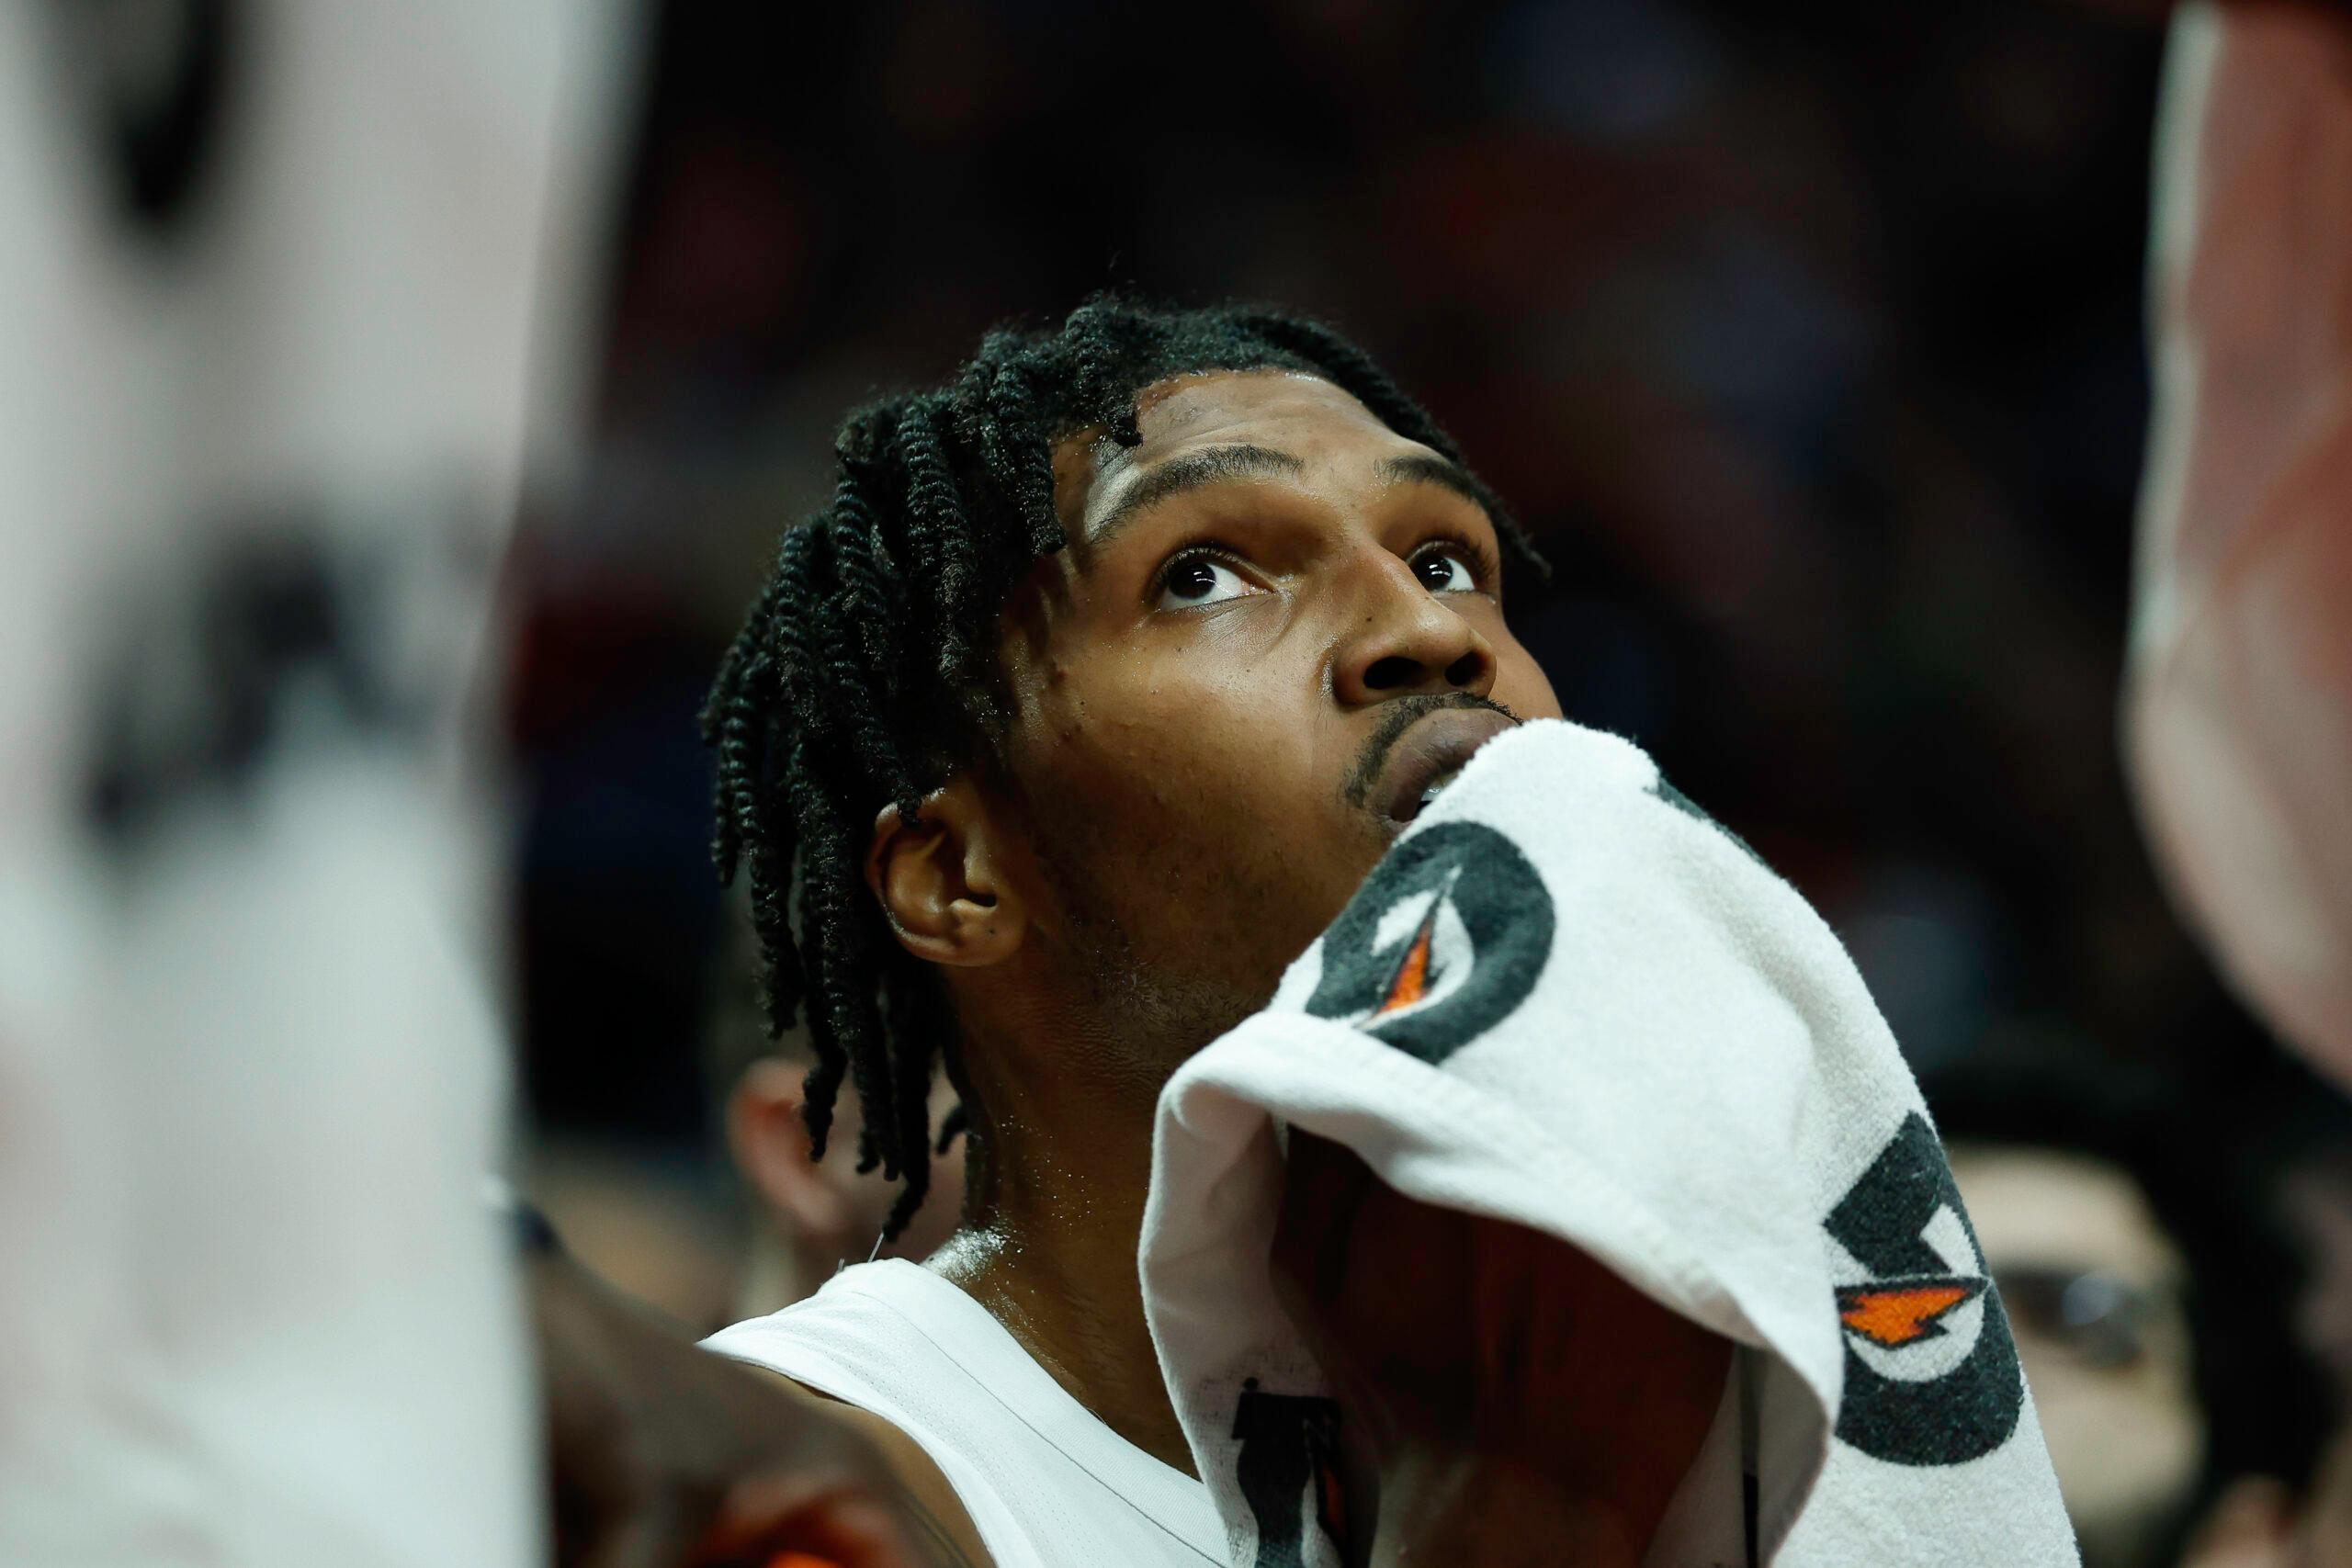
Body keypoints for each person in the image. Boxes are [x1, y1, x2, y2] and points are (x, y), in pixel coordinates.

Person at [692, 299, 1731, 1566]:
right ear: (960, 878)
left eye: (1445, 562)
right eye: (1203, 576)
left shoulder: (1741, 1349)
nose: (1432, 633)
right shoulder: (796, 1495)